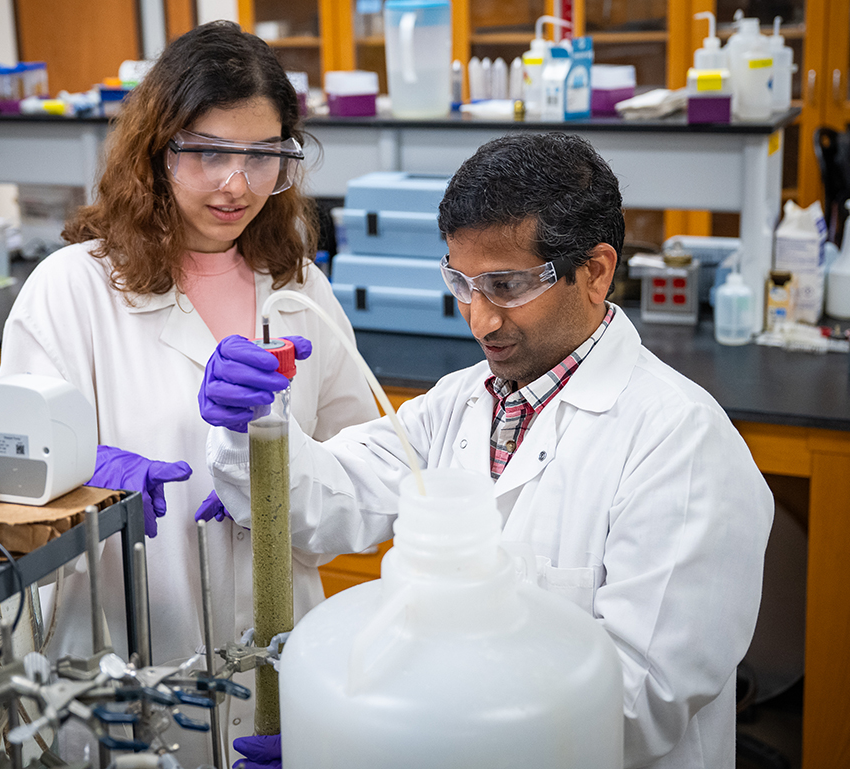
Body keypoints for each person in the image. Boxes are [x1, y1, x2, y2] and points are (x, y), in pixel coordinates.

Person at [202, 132, 774, 769]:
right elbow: (327, 500)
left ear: (595, 272)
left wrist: (370, 742)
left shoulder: (681, 443)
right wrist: (253, 425)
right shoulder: (461, 401)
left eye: (505, 286)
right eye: (462, 283)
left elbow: (637, 702)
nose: (479, 320)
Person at [0, 21, 378, 766]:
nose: (238, 183)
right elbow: (10, 491)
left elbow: (364, 478)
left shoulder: (299, 291)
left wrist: (283, 484)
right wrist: (93, 479)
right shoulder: (71, 289)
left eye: (264, 155)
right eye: (208, 152)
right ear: (156, 149)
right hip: (125, 656)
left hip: (282, 663)